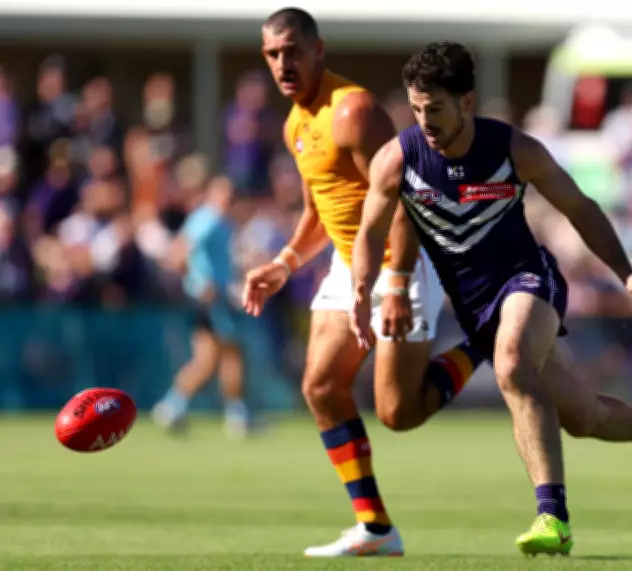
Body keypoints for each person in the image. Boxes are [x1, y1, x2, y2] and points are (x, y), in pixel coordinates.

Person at [349, 41, 632, 558]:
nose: (424, 121)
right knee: (583, 418)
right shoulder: (398, 160)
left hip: (529, 280)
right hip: (476, 307)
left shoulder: (515, 150)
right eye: (416, 109)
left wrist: (626, 272)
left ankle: (553, 516)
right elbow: (370, 233)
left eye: (434, 109)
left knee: (509, 364)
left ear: (467, 101)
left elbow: (580, 207)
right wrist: (361, 292)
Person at [241, 10, 486, 557]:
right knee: (321, 387)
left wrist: (395, 283)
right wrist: (284, 261)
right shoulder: (294, 124)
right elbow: (318, 211)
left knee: (399, 413)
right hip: (349, 268)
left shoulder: (351, 110)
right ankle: (376, 527)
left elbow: (406, 196)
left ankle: (484, 342)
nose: (283, 62)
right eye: (272, 53)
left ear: (317, 50)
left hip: (403, 260)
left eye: (291, 50)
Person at [152, 175, 251, 439]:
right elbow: (180, 251)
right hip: (212, 299)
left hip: (218, 296)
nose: (228, 198)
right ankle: (236, 415)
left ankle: (174, 405)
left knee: (210, 359)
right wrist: (197, 282)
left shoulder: (221, 221)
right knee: (230, 353)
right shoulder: (207, 219)